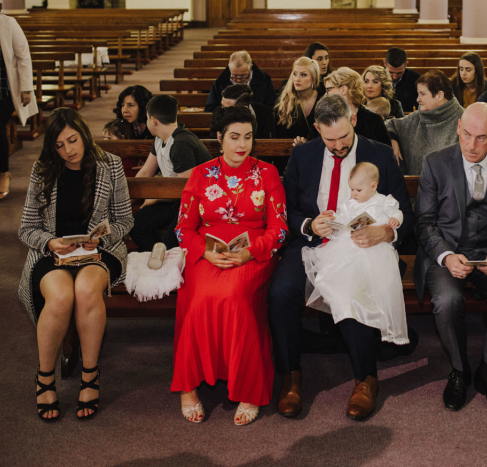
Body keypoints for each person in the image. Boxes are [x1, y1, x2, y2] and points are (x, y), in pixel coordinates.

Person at [268, 95, 414, 421]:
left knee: (353, 289)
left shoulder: (379, 154)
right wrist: (308, 223)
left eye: (344, 138)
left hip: (364, 245)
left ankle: (366, 378)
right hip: (314, 243)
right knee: (281, 293)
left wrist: (386, 233)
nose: (337, 147)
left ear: (354, 120)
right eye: (329, 139)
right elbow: (288, 208)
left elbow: (406, 213)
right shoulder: (303, 155)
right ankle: (290, 375)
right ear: (317, 128)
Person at [172, 106, 288, 426]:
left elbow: (279, 229)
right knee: (199, 300)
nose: (242, 145)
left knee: (235, 296)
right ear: (219, 138)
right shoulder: (200, 173)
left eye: (248, 137)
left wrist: (252, 252)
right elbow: (183, 228)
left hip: (254, 254)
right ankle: (188, 384)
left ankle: (248, 386)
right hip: (206, 254)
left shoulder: (267, 173)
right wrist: (205, 253)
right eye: (234, 137)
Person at [415, 102, 487, 419]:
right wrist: (447, 256)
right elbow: (424, 222)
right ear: (458, 128)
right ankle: (459, 369)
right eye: (466, 134)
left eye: (481, 138)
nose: (471, 145)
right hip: (449, 252)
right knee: (448, 301)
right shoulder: (436, 163)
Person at [18, 108, 133, 421]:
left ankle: (90, 375)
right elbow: (27, 228)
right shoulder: (43, 169)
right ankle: (44, 378)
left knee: (85, 289)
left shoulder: (110, 165)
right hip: (53, 252)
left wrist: (102, 241)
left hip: (98, 251)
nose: (68, 150)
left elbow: (124, 219)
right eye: (59, 145)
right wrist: (50, 242)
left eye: (72, 139)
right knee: (60, 297)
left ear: (84, 133)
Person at [302, 161, 409, 346]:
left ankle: (372, 322)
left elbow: (398, 212)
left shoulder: (384, 200)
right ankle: (347, 314)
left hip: (377, 248)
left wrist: (395, 220)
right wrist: (333, 219)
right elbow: (343, 220)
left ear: (373, 186)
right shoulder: (350, 203)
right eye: (351, 189)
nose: (353, 194)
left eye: (358, 190)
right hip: (350, 245)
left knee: (370, 280)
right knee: (341, 273)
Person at [129, 95, 213, 257]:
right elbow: (146, 172)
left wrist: (155, 198)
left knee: (173, 241)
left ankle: (166, 258)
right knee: (135, 224)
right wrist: (130, 201)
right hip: (172, 198)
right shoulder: (159, 139)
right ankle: (159, 257)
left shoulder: (181, 144)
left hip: (195, 202)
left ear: (153, 120)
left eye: (147, 118)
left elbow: (186, 190)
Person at [0, 0, 36, 201]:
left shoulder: (7, 23)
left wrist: (26, 88)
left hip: (4, 93)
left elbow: (23, 56)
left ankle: (1, 174)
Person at [385, 69, 464, 175]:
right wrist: (393, 139)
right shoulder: (417, 116)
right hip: (414, 187)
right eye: (418, 94)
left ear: (439, 95)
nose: (418, 99)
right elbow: (391, 124)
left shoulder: (463, 119)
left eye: (422, 94)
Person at [323, 67, 391, 146]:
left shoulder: (373, 120)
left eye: (329, 89)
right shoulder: (324, 119)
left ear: (343, 90)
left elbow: (386, 153)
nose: (326, 95)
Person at [204, 50, 277, 113]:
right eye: (235, 76)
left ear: (250, 67)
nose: (238, 80)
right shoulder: (220, 82)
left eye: (243, 76)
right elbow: (210, 109)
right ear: (229, 68)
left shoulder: (264, 80)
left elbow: (272, 105)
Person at [274, 56, 321, 145]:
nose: (297, 79)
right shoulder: (285, 102)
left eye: (303, 75)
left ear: (314, 77)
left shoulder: (324, 97)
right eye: (295, 74)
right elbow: (279, 137)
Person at [384, 47, 421, 114]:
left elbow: (420, 104)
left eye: (399, 73)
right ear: (384, 63)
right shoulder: (376, 77)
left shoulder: (415, 78)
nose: (395, 77)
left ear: (406, 64)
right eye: (391, 72)